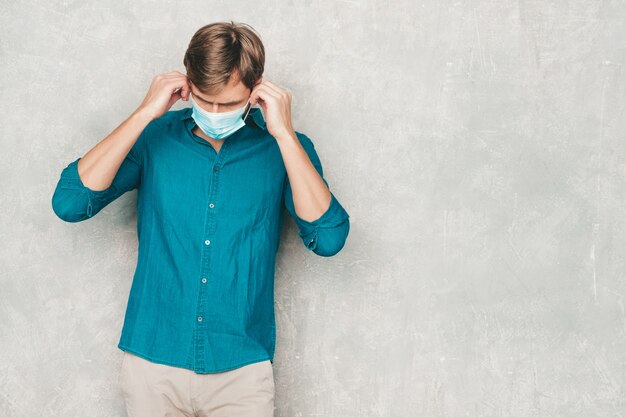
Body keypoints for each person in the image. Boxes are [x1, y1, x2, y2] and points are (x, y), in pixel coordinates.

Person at [50, 21, 350, 417]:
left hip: (241, 369)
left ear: (256, 87)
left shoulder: (285, 148)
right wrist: (145, 113)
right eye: (205, 99)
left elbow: (327, 239)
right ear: (188, 83)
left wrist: (284, 133)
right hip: (153, 362)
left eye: (227, 104)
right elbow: (70, 203)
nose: (213, 112)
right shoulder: (154, 138)